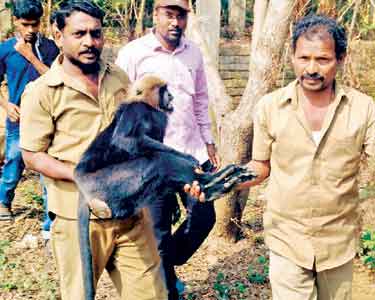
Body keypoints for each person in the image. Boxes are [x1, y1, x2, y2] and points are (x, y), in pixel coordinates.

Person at [187, 14, 375, 300]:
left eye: (322, 60)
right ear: (292, 56)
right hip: (287, 239)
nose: (311, 68)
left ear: (341, 58)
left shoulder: (363, 110)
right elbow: (261, 167)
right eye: (303, 58)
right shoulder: (270, 107)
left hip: (338, 242)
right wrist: (218, 183)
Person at [19, 1, 166, 299]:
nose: (90, 42)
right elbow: (32, 155)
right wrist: (80, 173)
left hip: (130, 213)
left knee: (152, 294)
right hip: (78, 218)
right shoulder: (42, 92)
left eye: (96, 34)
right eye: (79, 34)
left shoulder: (119, 78)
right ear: (58, 36)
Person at [116, 0, 219, 298]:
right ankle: (166, 287)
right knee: (157, 230)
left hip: (191, 154)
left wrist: (209, 141)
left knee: (204, 218)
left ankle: (164, 264)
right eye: (169, 15)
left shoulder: (194, 53)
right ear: (155, 15)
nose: (175, 22)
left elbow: (200, 100)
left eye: (181, 16)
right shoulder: (134, 53)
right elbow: (120, 104)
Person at [0, 0, 59, 221]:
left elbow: (55, 78)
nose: (31, 30)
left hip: (48, 120)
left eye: (35, 24)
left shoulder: (50, 48)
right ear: (15, 22)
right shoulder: (4, 50)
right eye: (26, 25)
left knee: (48, 171)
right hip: (18, 120)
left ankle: (50, 221)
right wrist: (7, 105)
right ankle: (3, 202)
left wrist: (30, 56)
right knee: (14, 160)